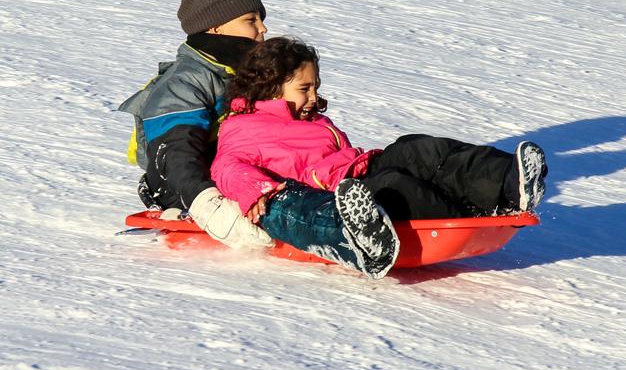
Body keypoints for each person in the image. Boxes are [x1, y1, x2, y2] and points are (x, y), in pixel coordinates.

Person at [118, 0, 395, 275]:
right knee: (280, 198)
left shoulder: (245, 74)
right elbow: (175, 155)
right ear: (217, 27)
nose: (263, 28)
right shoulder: (182, 85)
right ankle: (349, 238)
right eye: (251, 20)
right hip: (207, 187)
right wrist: (207, 203)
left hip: (253, 173)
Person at [211, 38, 548, 233]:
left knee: (417, 148)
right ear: (268, 89)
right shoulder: (243, 126)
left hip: (359, 168)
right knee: (395, 186)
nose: (313, 96)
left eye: (315, 86)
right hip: (337, 197)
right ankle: (465, 219)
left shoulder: (312, 120)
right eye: (304, 88)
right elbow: (226, 166)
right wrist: (255, 190)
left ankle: (508, 182)